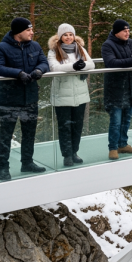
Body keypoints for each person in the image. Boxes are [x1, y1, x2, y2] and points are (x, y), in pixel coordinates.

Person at [0, 17, 49, 181]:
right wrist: (18, 73)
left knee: (29, 134)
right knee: (6, 135)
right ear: (19, 32)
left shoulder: (35, 46)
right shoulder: (1, 48)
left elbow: (44, 62)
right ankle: (3, 168)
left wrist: (39, 70)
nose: (32, 32)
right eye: (29, 30)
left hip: (30, 98)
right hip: (9, 99)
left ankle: (27, 163)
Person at [47, 24, 95, 167]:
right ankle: (67, 155)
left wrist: (80, 66)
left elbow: (91, 64)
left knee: (77, 125)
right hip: (62, 94)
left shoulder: (80, 48)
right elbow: (54, 67)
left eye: (71, 34)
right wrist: (74, 67)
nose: (69, 37)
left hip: (80, 93)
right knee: (64, 126)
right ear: (60, 37)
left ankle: (74, 152)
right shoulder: (54, 50)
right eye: (65, 35)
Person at [102, 19, 132, 160]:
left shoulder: (131, 43)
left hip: (130, 86)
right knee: (115, 121)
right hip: (115, 88)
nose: (127, 33)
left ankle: (123, 144)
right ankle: (113, 148)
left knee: (126, 120)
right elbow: (111, 63)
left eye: (128, 30)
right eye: (124, 30)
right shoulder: (107, 45)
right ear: (116, 32)